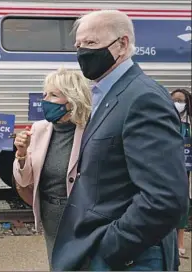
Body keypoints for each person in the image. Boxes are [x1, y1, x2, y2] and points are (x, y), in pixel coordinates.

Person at [51, 10, 189, 271]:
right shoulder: (109, 92)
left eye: (90, 44)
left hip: (130, 258)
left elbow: (165, 198)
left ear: (122, 44)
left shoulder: (142, 98)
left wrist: (111, 248)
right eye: (78, 45)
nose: (82, 53)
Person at [12, 68, 91, 267]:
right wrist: (22, 154)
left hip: (82, 217)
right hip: (51, 215)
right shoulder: (39, 128)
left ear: (72, 100)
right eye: (45, 94)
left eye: (53, 95)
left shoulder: (91, 129)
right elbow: (24, 180)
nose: (45, 100)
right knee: (57, 264)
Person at [170, 88, 192, 259]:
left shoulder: (190, 122)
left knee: (184, 203)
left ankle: (180, 241)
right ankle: (167, 239)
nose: (178, 103)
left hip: (187, 169)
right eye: (174, 100)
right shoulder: (166, 119)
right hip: (169, 167)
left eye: (181, 100)